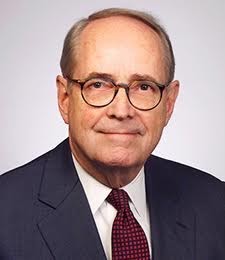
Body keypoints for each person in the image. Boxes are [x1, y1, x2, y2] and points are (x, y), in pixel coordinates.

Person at [0, 7, 224, 260]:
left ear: (169, 103)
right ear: (65, 98)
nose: (122, 110)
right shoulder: (5, 215)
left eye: (143, 86)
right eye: (98, 84)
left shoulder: (216, 205)